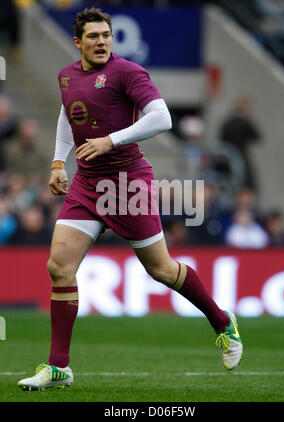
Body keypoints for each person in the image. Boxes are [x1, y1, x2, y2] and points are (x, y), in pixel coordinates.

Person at [18, 8, 242, 391]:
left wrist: (111, 139)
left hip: (127, 183)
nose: (102, 41)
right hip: (87, 185)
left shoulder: (127, 72)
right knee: (59, 266)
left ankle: (223, 322)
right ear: (78, 43)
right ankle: (59, 367)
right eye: (93, 36)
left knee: (161, 270)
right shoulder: (67, 76)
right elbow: (68, 112)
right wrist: (58, 161)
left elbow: (162, 117)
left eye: (106, 34)